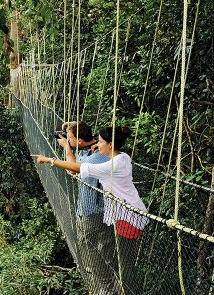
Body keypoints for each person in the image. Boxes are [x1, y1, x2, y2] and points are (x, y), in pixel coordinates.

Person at [34, 126, 148, 295]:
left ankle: (113, 289)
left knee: (123, 263)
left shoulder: (109, 165)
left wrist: (49, 160)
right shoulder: (122, 157)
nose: (97, 144)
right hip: (132, 213)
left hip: (127, 217)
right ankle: (119, 288)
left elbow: (77, 168)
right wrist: (75, 126)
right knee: (121, 260)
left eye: (100, 142)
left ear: (110, 144)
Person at [58, 121, 114, 294]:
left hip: (92, 211)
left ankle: (106, 286)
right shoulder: (93, 149)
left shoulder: (96, 156)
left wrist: (66, 149)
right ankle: (106, 279)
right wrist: (73, 125)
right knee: (103, 247)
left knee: (87, 247)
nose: (67, 139)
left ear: (80, 141)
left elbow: (74, 169)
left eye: (70, 138)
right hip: (104, 210)